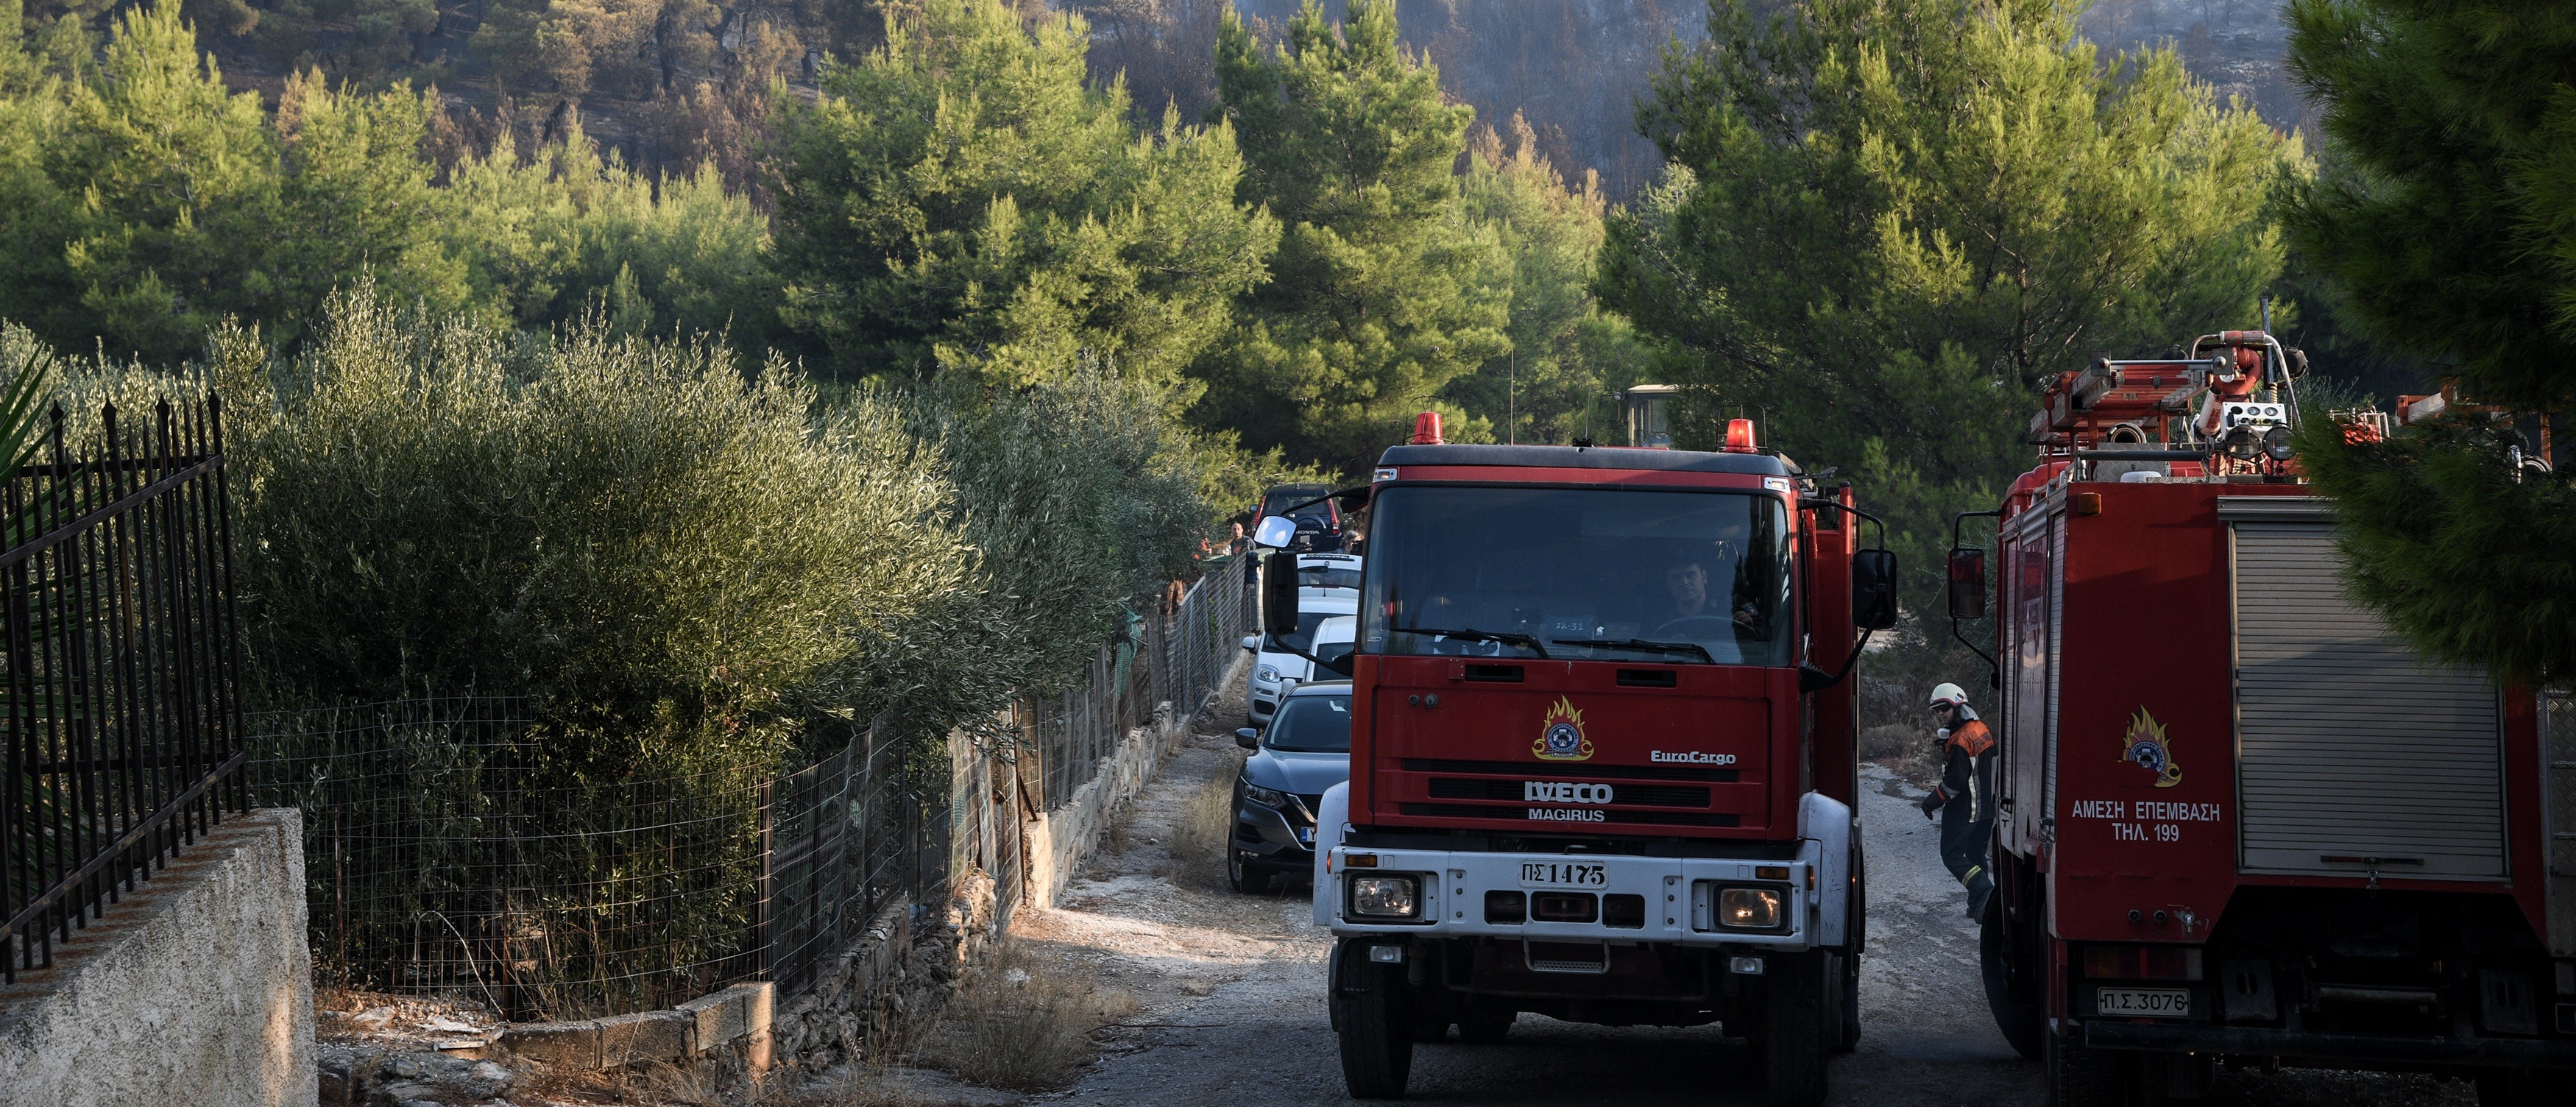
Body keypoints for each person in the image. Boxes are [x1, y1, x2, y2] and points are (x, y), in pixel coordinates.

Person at [1918, 682, 1998, 919]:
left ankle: (1983, 890)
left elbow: (1953, 784)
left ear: (1958, 706)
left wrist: (1930, 802)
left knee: (1951, 855)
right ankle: (1979, 906)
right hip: (1987, 810)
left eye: (1945, 708)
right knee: (1975, 855)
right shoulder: (1981, 728)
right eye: (1937, 710)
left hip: (1966, 811)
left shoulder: (1960, 740)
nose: (1941, 714)